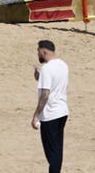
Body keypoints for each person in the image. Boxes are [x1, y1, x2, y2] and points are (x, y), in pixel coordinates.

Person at [31, 39, 69, 173]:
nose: (38, 55)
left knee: (51, 153)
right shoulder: (63, 65)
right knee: (57, 149)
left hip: (50, 115)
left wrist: (35, 115)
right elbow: (55, 82)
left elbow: (45, 94)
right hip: (62, 112)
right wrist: (39, 76)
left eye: (39, 52)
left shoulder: (47, 69)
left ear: (44, 51)